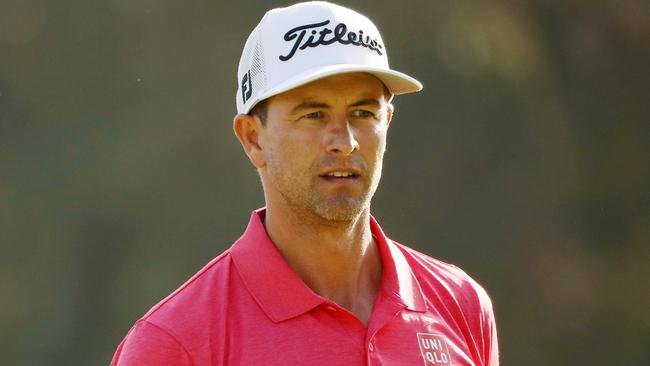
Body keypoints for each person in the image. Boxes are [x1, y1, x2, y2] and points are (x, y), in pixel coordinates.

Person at [110, 2, 499, 365]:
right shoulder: (175, 342)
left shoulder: (461, 304)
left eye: (363, 112)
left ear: (388, 123)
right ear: (252, 138)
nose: (344, 141)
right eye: (313, 114)